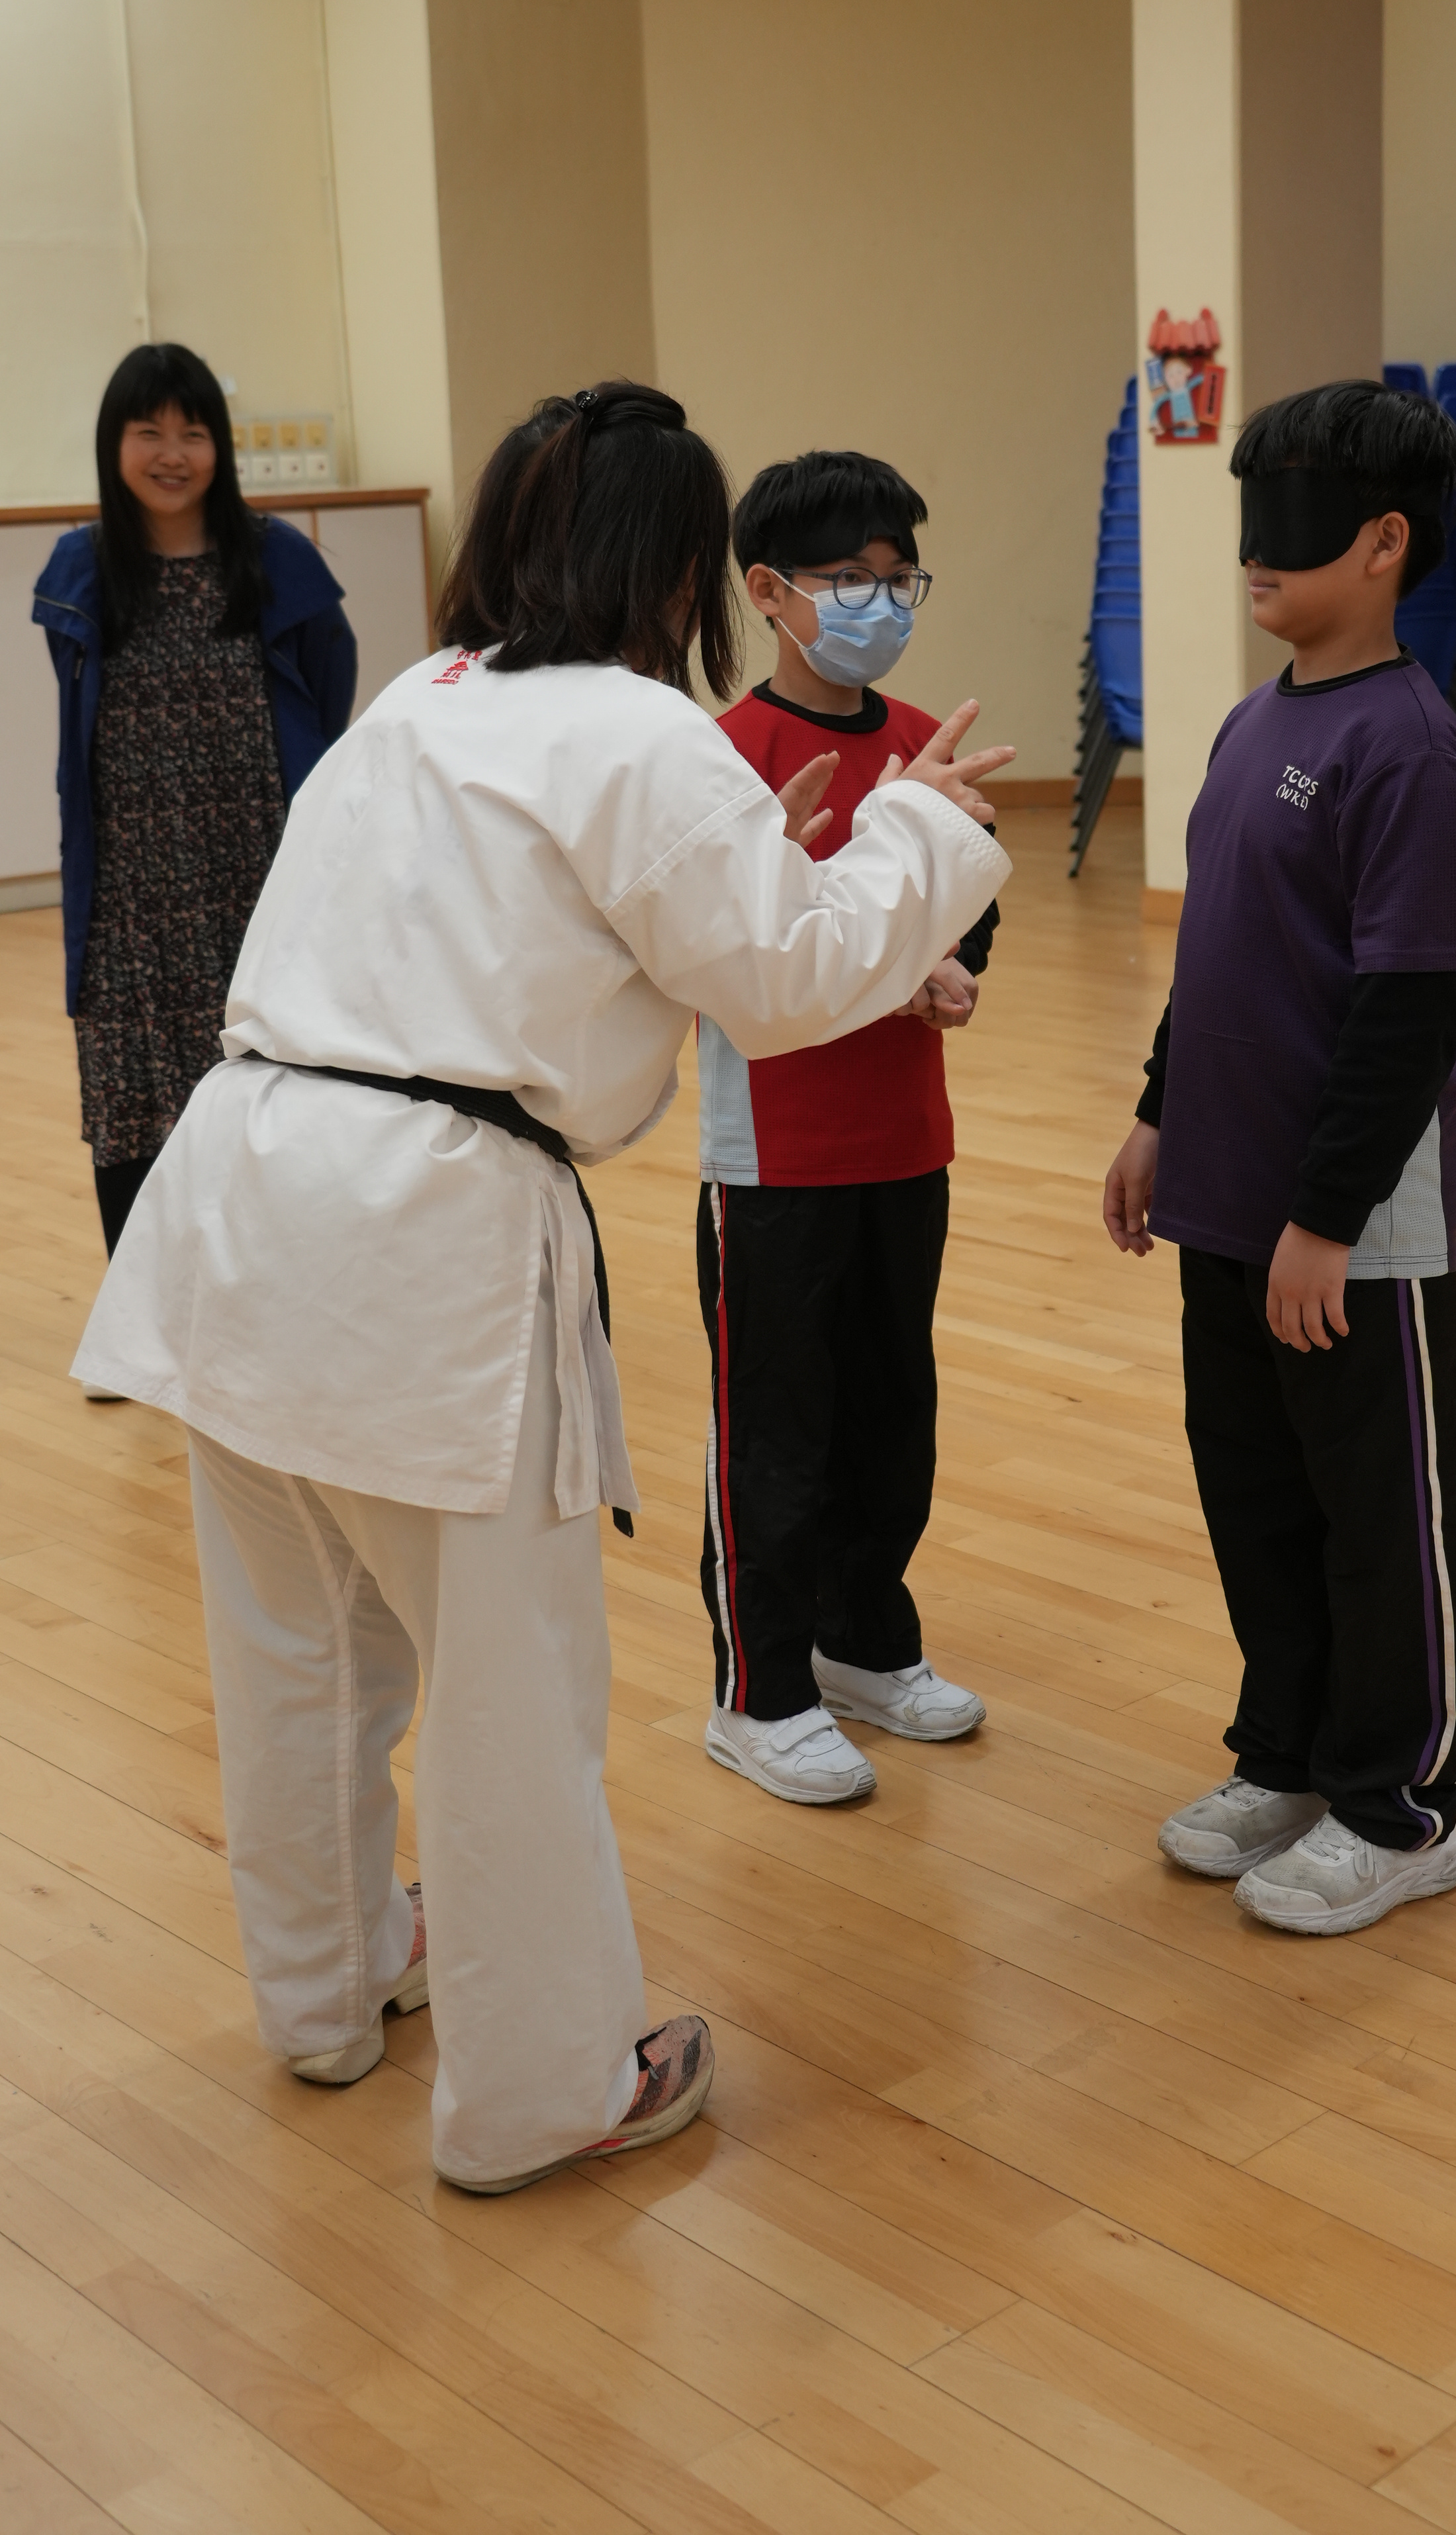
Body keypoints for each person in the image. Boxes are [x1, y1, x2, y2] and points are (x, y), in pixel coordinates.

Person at [72, 381, 1012, 2194]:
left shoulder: (420, 702)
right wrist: (920, 827)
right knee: (506, 1692)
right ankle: (544, 2091)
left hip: (246, 1193)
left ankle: (329, 1993)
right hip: (418, 1233)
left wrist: (761, 857)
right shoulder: (638, 727)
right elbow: (792, 981)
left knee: (299, 1653)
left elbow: (573, 932)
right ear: (681, 566)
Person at [1103, 380, 1456, 1938]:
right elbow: (1220, 951)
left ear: (1384, 543)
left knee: (1379, 1515)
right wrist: (1158, 1111)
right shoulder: (1252, 722)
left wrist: (1326, 1218)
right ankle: (1292, 1753)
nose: (1258, 548)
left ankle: (1398, 1805)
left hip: (1349, 1221)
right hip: (1223, 1192)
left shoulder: (1415, 749)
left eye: (1295, 516)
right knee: (1257, 1495)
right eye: (1248, 513)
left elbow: (1411, 1012)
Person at [696, 450, 1001, 1807]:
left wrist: (952, 962)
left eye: (899, 578)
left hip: (906, 1142)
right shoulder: (719, 759)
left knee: (891, 1414)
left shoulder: (925, 739)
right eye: (848, 580)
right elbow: (716, 951)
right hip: (773, 1159)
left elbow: (963, 907)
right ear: (771, 592)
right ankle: (759, 1693)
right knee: (777, 1431)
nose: (880, 602)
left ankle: (866, 1644)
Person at [33, 342, 354, 1265]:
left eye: (194, 432)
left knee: (273, 1089)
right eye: (150, 431)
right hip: (131, 894)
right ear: (115, 444)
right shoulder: (83, 569)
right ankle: (145, 1309)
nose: (172, 453)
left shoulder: (276, 558)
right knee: (132, 1103)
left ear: (221, 447)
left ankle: (274, 1289)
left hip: (256, 874)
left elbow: (329, 688)